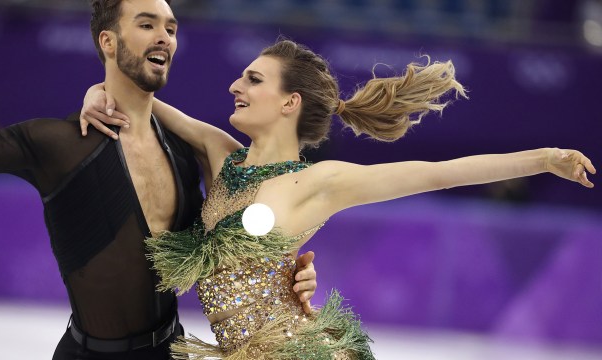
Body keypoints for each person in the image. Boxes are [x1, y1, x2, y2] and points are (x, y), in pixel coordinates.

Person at [81, 39, 595, 359]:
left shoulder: (322, 181)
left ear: (290, 102)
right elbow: (136, 101)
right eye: (242, 76)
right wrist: (94, 93)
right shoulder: (221, 155)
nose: (236, 84)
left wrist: (544, 157)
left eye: (254, 79)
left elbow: (438, 173)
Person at [0, 1, 317, 358]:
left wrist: (289, 271)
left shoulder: (185, 153)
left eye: (171, 29)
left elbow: (240, 232)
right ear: (109, 42)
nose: (164, 37)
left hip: (169, 350)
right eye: (147, 25)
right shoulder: (59, 143)